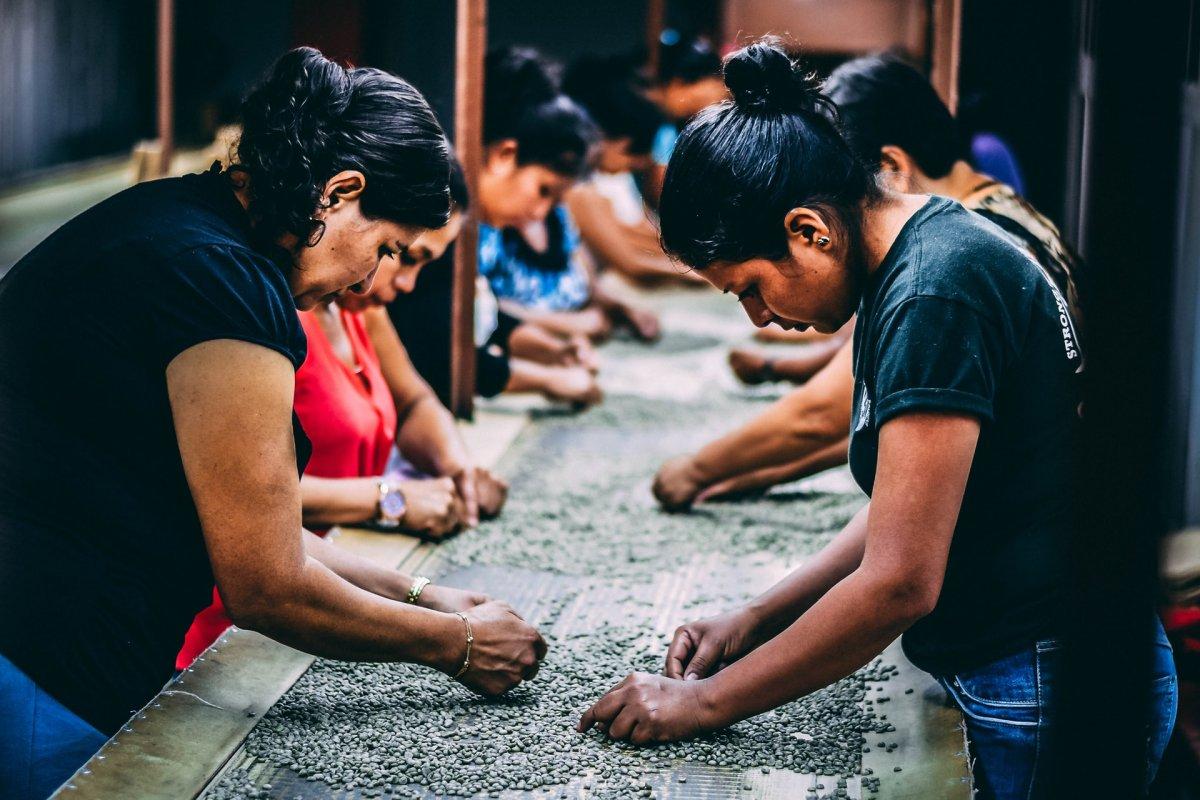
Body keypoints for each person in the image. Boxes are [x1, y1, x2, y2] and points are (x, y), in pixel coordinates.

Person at [580, 41, 1175, 799]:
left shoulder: (934, 296)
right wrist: (756, 617)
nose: (760, 318)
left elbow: (899, 583)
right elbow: (913, 510)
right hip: (1029, 661)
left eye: (751, 289)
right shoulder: (922, 253)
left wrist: (702, 703)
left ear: (808, 231)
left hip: (1044, 679)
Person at [0, 48, 545, 799]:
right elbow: (266, 583)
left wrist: (427, 596)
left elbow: (262, 526)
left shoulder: (175, 221)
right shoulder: (225, 285)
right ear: (341, 192)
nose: (371, 277)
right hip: (41, 659)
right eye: (384, 246)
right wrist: (456, 645)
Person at [652, 53, 1085, 506]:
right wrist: (770, 461)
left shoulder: (939, 276)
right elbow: (907, 429)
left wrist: (696, 469)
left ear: (888, 168)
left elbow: (825, 413)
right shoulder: (989, 217)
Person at [175, 160, 511, 671]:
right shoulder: (258, 317)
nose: (394, 280)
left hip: (321, 583)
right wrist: (388, 500)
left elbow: (415, 400)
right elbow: (232, 495)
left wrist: (457, 466)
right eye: (400, 253)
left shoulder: (360, 314)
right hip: (235, 620)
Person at [477, 46, 660, 343]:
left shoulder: (551, 212)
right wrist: (567, 329)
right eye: (543, 191)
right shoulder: (483, 228)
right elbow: (484, 313)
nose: (541, 211)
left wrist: (617, 308)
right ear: (504, 155)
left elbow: (584, 278)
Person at [562, 55, 702, 286]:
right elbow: (629, 261)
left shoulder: (608, 179)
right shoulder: (581, 191)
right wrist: (697, 275)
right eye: (631, 153)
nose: (635, 165)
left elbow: (639, 231)